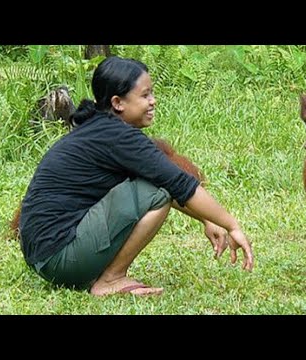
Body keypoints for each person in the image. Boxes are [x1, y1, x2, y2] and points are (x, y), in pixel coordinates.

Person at [19, 56, 254, 297]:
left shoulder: (100, 128)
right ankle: (111, 279)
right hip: (60, 258)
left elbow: (168, 181)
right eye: (145, 96)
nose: (153, 102)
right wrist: (231, 225)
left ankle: (104, 274)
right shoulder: (119, 136)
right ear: (118, 102)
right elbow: (176, 183)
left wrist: (207, 220)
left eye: (152, 94)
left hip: (45, 256)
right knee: (158, 191)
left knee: (157, 185)